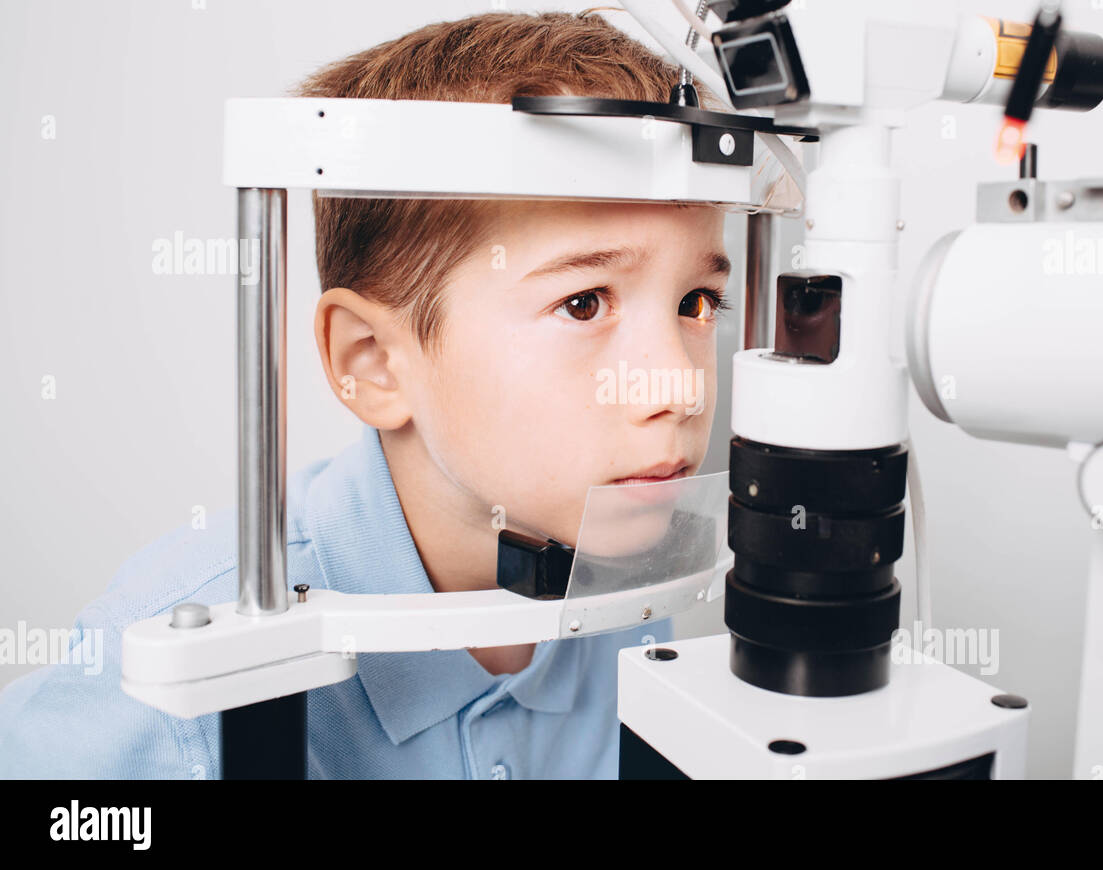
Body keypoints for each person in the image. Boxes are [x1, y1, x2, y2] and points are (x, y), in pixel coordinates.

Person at [0, 9, 734, 779]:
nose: (678, 387)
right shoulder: (170, 674)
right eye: (584, 303)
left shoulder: (623, 584)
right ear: (375, 361)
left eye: (696, 303)